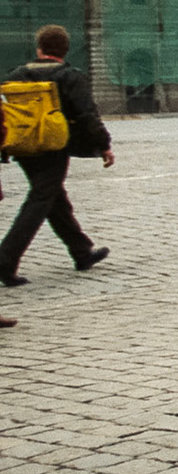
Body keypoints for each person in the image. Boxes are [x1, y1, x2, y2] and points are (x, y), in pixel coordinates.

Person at [2, 25, 114, 286]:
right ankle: (5, 260)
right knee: (41, 199)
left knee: (53, 197)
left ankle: (81, 251)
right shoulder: (70, 76)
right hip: (54, 146)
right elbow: (88, 115)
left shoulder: (16, 74)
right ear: (64, 50)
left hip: (23, 147)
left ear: (39, 48)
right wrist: (104, 145)